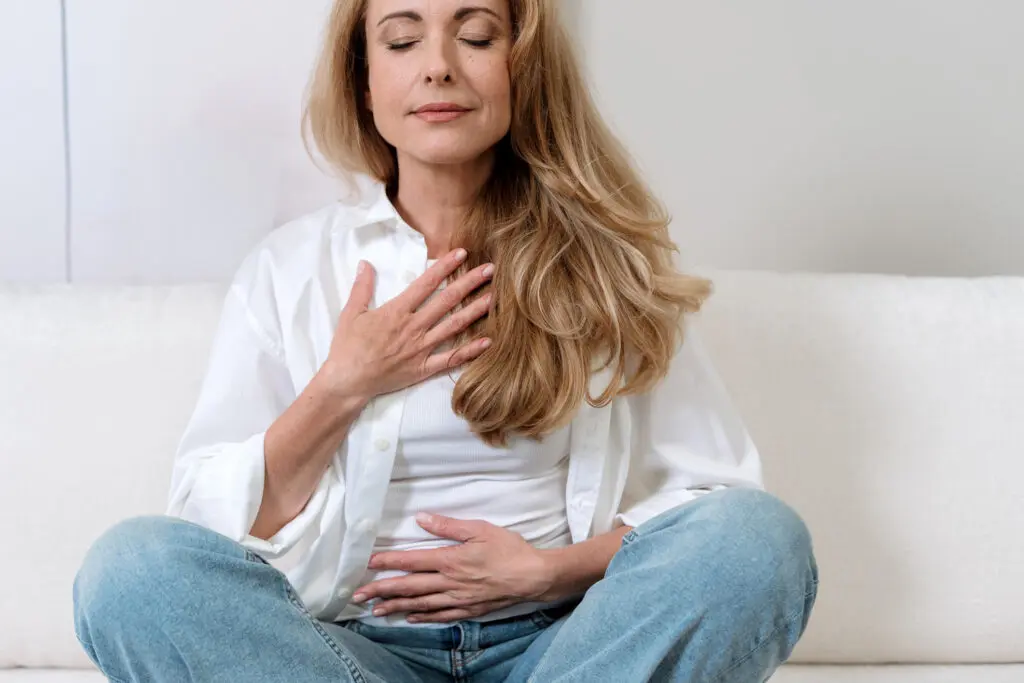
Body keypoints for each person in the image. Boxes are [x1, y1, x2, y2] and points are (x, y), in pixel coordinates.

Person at [72, 0, 818, 680]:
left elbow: (711, 498)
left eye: (476, 35)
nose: (438, 64)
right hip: (351, 653)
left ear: (520, 67)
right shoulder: (291, 269)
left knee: (758, 542)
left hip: (562, 651)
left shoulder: (603, 264)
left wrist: (550, 572)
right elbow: (214, 528)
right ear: (364, 83)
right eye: (401, 38)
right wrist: (345, 383)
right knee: (130, 572)